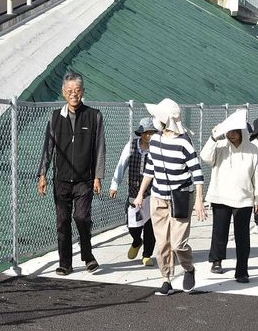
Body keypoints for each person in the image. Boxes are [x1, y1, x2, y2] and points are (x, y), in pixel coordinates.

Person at [134, 99, 206, 295]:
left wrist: (199, 200)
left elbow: (197, 173)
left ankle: (189, 269)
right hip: (158, 197)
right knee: (163, 242)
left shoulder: (184, 142)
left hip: (181, 197)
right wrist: (140, 194)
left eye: (157, 116)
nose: (154, 119)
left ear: (164, 120)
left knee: (178, 243)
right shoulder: (155, 141)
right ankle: (166, 279)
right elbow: (150, 169)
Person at [38, 72, 106, 276]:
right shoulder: (55, 117)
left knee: (82, 217)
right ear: (63, 93)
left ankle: (87, 255)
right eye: (69, 91)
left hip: (84, 180)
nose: (73, 94)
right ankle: (65, 263)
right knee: (62, 222)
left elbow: (100, 148)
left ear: (83, 91)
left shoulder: (94, 116)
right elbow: (48, 147)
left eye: (77, 90)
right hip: (61, 180)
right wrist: (42, 174)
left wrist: (98, 176)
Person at [200, 109, 258, 283]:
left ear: (242, 131)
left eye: (235, 131)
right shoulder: (220, 146)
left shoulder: (252, 149)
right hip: (220, 196)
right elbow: (205, 157)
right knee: (219, 232)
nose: (232, 135)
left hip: (244, 199)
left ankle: (242, 270)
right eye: (229, 131)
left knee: (242, 236)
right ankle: (216, 261)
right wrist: (213, 138)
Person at [110, 117, 158, 266]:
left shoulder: (158, 148)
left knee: (150, 226)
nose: (148, 136)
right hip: (133, 192)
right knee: (132, 225)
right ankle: (137, 241)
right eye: (146, 133)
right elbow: (122, 164)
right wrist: (114, 185)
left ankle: (147, 254)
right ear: (141, 133)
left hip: (152, 193)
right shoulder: (131, 146)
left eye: (151, 132)